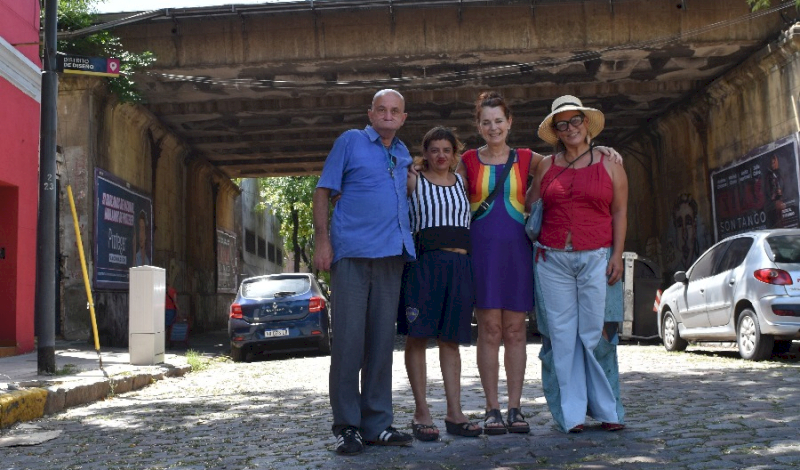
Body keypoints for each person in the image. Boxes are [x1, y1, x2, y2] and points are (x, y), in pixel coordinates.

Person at [456, 91, 619, 435]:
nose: (493, 127)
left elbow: (571, 159)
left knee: (515, 331)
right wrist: (418, 167)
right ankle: (492, 409)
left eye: (499, 120)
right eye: (486, 122)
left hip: (517, 252)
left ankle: (515, 408)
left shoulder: (531, 159)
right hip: (482, 254)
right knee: (489, 331)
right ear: (478, 125)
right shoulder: (467, 160)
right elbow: (443, 184)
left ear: (510, 122)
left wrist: (602, 149)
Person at [313, 89, 416, 456]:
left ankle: (377, 424)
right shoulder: (350, 141)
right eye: (382, 109)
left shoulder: (402, 152)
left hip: (391, 254)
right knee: (348, 342)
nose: (388, 115)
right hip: (353, 254)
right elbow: (323, 191)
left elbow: (408, 187)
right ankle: (347, 427)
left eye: (396, 111)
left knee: (381, 344)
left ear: (403, 118)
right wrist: (323, 241)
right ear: (370, 113)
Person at [526, 95, 628, 433]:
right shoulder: (546, 165)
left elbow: (619, 211)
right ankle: (570, 415)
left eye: (575, 121)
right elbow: (531, 204)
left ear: (586, 124)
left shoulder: (610, 162)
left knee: (595, 334)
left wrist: (617, 255)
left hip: (596, 254)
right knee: (562, 336)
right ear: (556, 131)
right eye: (562, 124)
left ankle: (607, 409)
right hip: (552, 258)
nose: (570, 128)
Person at [398, 127, 481, 441]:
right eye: (434, 150)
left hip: (460, 265)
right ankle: (421, 413)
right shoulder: (414, 180)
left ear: (454, 153)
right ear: (426, 153)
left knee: (451, 340)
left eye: (447, 150)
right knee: (417, 337)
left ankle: (454, 413)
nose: (441, 155)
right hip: (425, 264)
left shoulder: (462, 182)